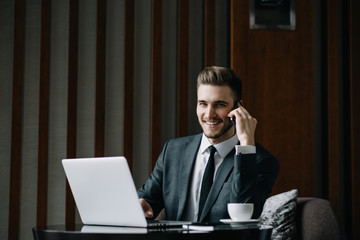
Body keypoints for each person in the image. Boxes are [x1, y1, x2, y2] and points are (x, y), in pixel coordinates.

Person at [138, 66, 279, 223]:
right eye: (203, 104)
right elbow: (148, 199)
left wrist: (246, 145)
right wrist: (141, 205)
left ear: (238, 108)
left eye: (219, 104)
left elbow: (245, 214)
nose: (209, 114)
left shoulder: (261, 161)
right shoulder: (173, 150)